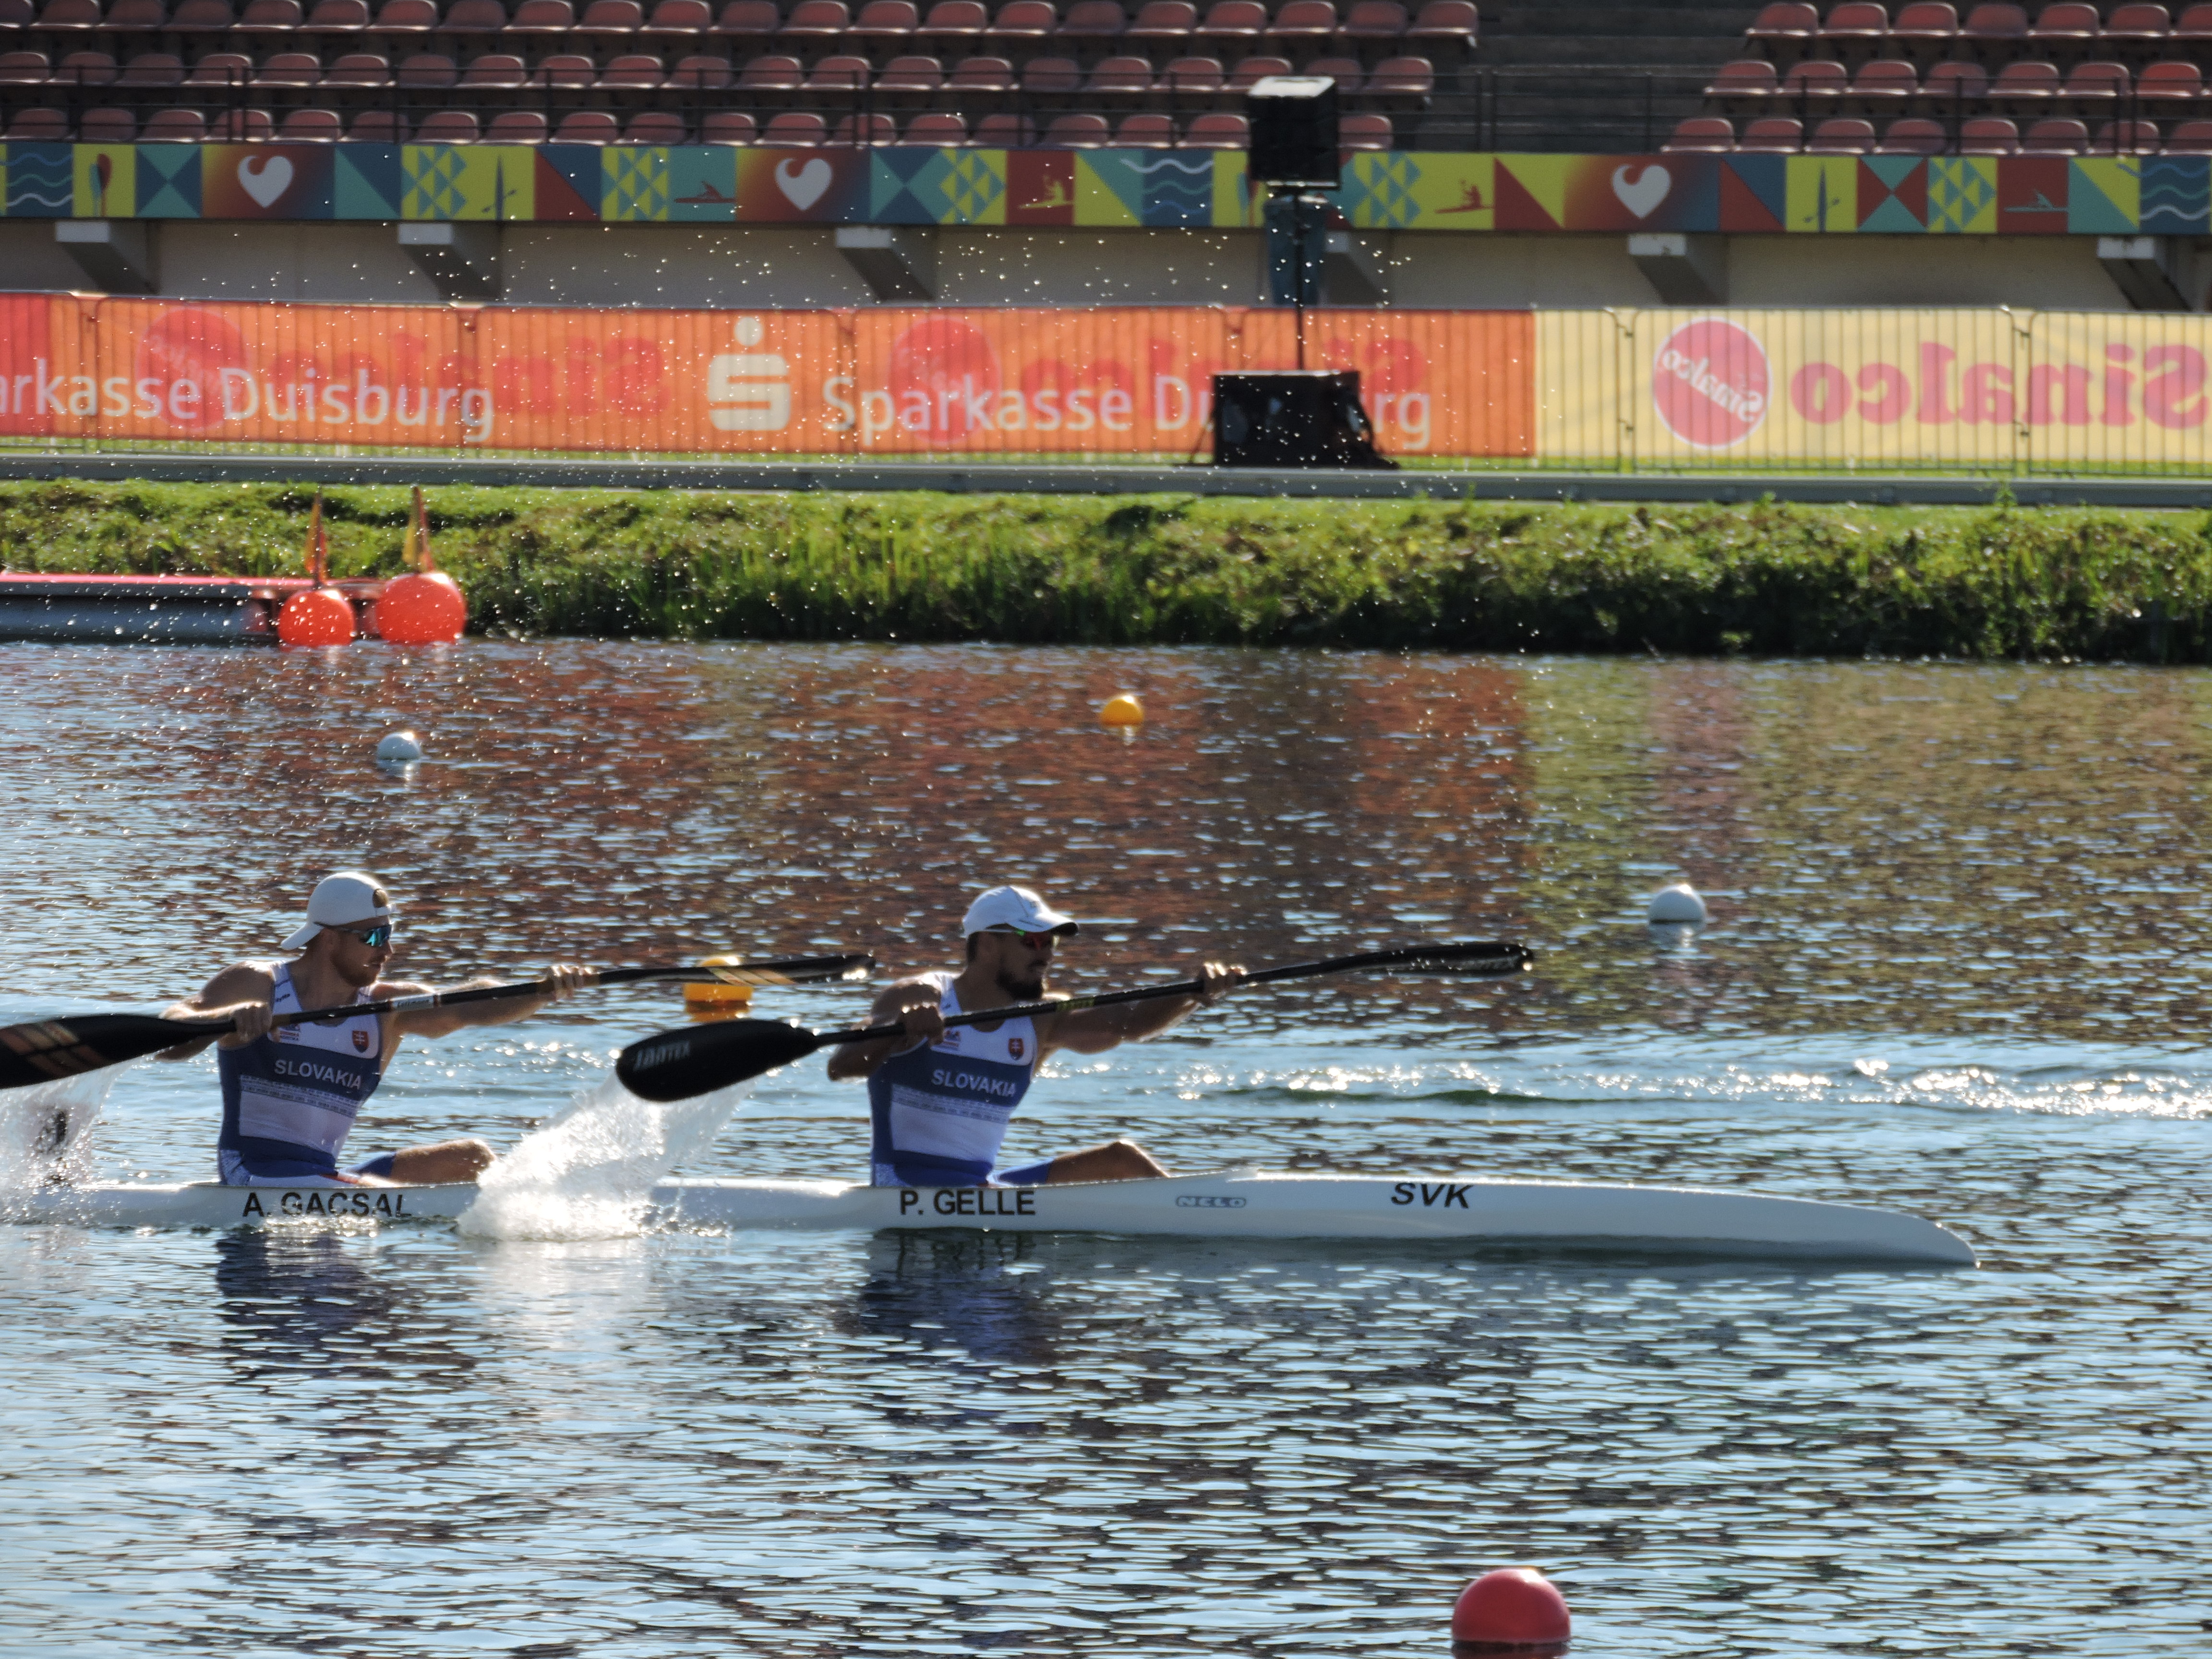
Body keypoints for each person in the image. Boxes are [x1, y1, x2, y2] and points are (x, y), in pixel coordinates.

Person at [159, 871, 589, 1188]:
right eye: (374, 937)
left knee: (475, 1159)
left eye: (390, 934)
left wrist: (543, 991)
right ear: (329, 940)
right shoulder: (258, 983)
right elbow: (170, 1031)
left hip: (326, 1176)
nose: (387, 950)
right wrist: (222, 1020)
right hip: (253, 1171)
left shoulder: (389, 1009)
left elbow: (473, 1003)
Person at [828, 885, 1241, 1188]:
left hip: (979, 1189)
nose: (1047, 953)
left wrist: (1193, 994)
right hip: (903, 1187)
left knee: (1122, 1159)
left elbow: (1129, 1022)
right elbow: (841, 1067)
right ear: (988, 945)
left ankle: (1204, 1219)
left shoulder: (1042, 1020)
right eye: (1033, 941)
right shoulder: (920, 995)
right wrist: (896, 1034)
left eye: (1051, 941)